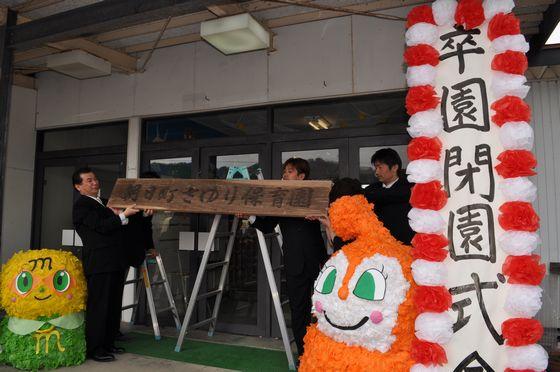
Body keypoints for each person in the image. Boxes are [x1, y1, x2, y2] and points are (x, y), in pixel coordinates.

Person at [244, 158, 328, 358]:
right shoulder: (280, 199)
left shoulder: (315, 195)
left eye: (289, 171)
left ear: (301, 176)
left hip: (318, 262)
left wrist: (320, 216)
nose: (285, 174)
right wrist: (250, 216)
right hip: (293, 264)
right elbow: (267, 225)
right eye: (284, 171)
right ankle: (303, 356)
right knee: (298, 312)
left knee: (323, 311)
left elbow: (330, 214)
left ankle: (324, 355)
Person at [72, 167, 139, 362]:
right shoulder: (82, 205)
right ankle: (94, 348)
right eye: (89, 180)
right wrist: (122, 215)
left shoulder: (102, 202)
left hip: (114, 260)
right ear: (78, 186)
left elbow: (115, 225)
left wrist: (122, 216)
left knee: (112, 304)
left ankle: (108, 343)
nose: (94, 183)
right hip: (99, 262)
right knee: (99, 306)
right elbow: (102, 227)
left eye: (95, 179)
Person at [364, 148, 415, 245]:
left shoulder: (408, 186)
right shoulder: (371, 189)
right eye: (376, 168)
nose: (376, 172)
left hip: (404, 246)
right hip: (379, 246)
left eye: (380, 167)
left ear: (395, 167)